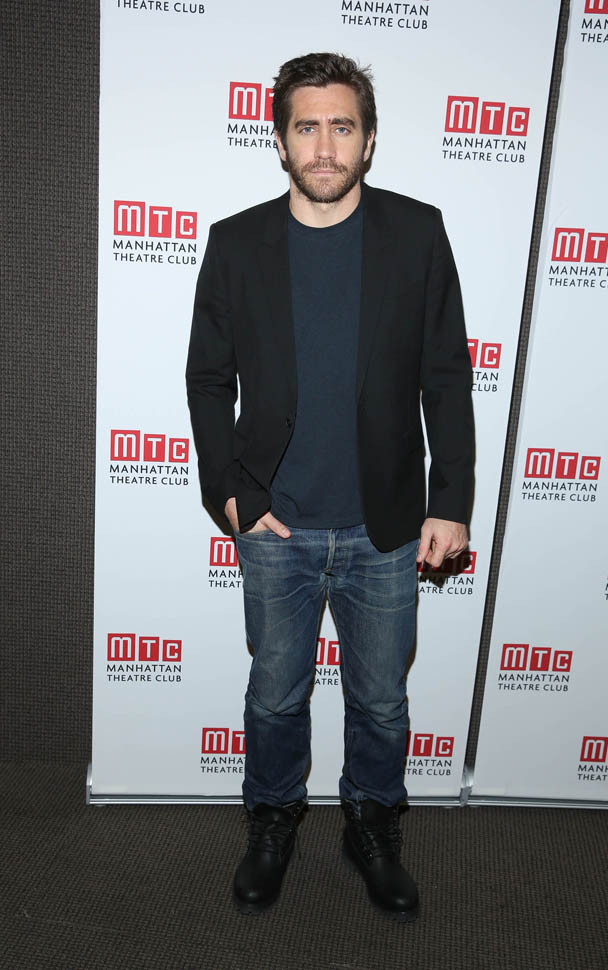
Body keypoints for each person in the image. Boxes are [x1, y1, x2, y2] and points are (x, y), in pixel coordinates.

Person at [186, 52, 474, 922]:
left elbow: (445, 376)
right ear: (279, 141)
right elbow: (208, 379)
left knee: (380, 701)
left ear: (368, 140)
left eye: (341, 126)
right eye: (305, 127)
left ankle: (371, 826)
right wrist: (231, 492)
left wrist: (450, 501)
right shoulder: (236, 242)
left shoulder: (417, 233)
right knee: (275, 694)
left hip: (385, 526)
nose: (323, 145)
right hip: (275, 522)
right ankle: (273, 822)